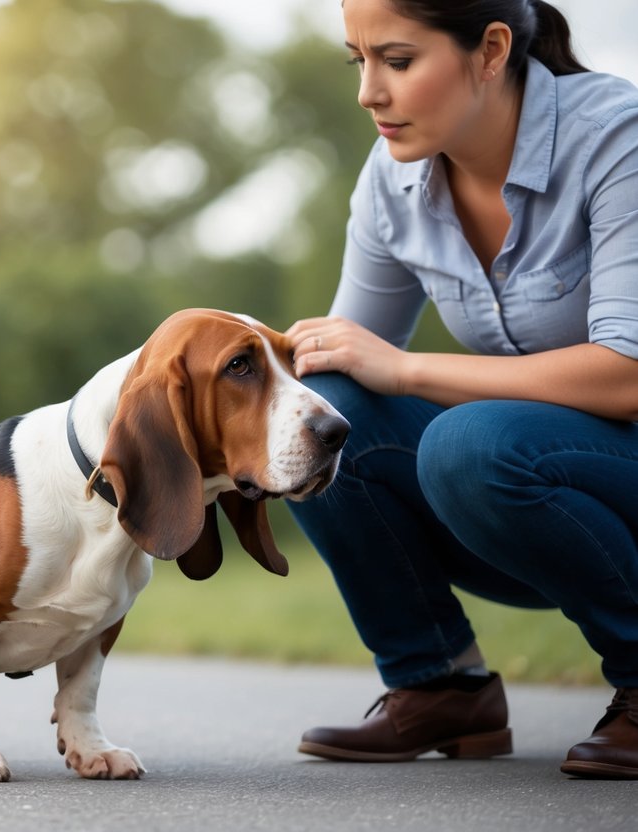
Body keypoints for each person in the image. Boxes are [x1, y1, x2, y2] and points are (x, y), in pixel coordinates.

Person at [284, 0, 638, 779]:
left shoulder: (618, 138)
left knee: (467, 443)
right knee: (315, 415)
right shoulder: (392, 180)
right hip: (530, 502)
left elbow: (626, 375)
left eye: (398, 61)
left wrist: (408, 369)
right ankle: (439, 685)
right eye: (358, 60)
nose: (368, 92)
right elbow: (337, 366)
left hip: (615, 478)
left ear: (489, 51)